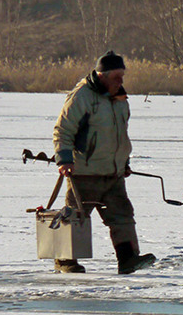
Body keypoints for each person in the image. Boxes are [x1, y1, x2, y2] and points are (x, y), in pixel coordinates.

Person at [51, 51, 156, 274]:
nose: (121, 81)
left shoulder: (119, 98)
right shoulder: (81, 96)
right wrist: (65, 160)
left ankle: (128, 260)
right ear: (102, 76)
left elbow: (120, 135)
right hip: (84, 173)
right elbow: (63, 131)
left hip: (113, 174)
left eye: (122, 76)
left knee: (123, 216)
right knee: (76, 217)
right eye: (117, 76)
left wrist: (123, 162)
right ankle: (65, 261)